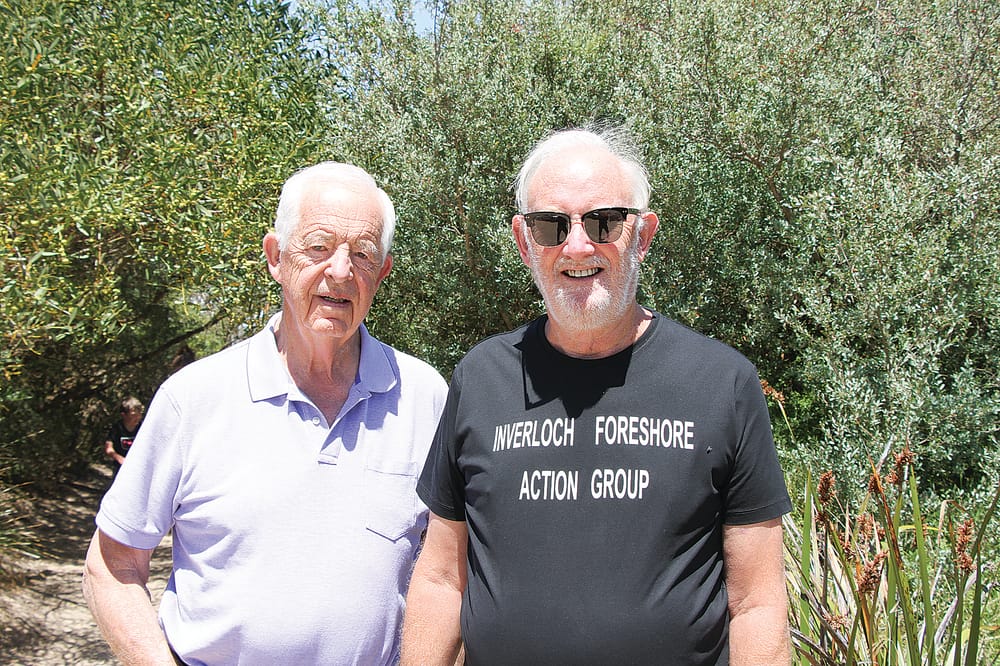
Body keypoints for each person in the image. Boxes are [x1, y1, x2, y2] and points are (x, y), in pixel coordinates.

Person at [401, 126, 792, 665]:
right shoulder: (480, 378)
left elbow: (756, 602)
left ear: (643, 234)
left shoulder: (721, 383)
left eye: (604, 221)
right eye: (551, 225)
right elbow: (443, 578)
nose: (578, 245)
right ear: (524, 242)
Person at [82, 162, 448, 664]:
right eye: (318, 247)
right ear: (276, 257)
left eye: (361, 254)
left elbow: (451, 571)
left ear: (381, 274)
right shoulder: (193, 398)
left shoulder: (425, 396)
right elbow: (112, 566)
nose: (339, 271)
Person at [103, 396, 144, 474]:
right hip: (120, 469)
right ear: (124, 415)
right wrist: (119, 458)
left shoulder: (143, 428)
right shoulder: (117, 428)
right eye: (133, 415)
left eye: (139, 414)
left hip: (139, 469)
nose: (138, 418)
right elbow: (108, 448)